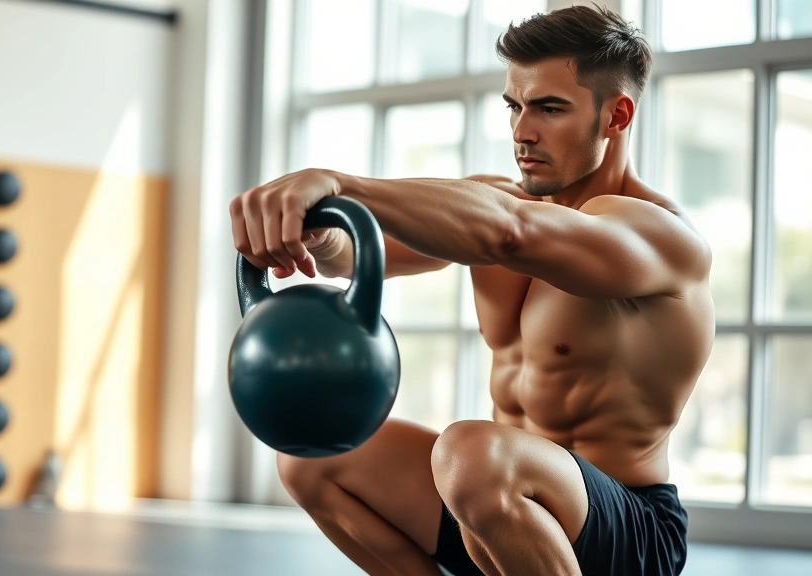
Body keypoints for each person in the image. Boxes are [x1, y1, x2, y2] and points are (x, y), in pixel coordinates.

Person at [228, 5, 714, 576]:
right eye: (515, 105)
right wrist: (320, 231)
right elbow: (360, 253)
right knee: (312, 459)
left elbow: (512, 234)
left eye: (550, 108)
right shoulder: (495, 204)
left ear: (616, 115)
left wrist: (343, 183)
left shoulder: (654, 236)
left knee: (470, 452)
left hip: (624, 532)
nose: (521, 131)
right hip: (490, 510)